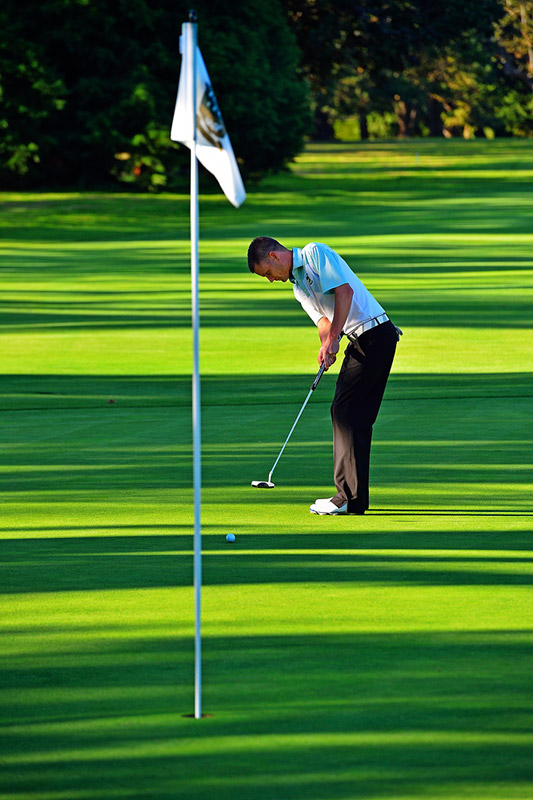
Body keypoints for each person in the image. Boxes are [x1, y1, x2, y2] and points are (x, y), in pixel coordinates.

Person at [247, 237, 401, 515]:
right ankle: (352, 499)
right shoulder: (298, 289)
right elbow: (324, 322)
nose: (271, 280)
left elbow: (344, 293)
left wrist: (334, 340)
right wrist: (326, 344)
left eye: (268, 273)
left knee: (347, 413)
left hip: (376, 335)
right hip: (359, 340)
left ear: (274, 256)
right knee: (346, 412)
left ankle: (347, 498)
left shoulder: (315, 253)